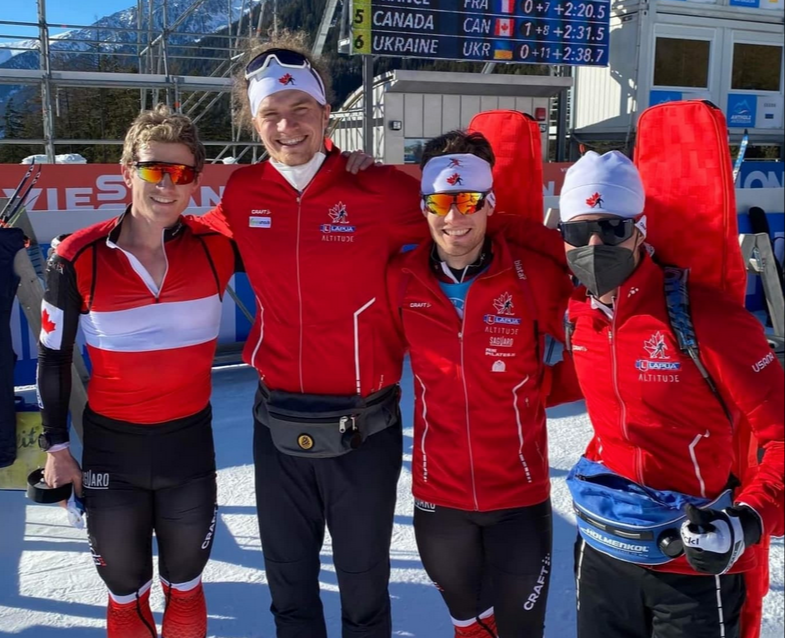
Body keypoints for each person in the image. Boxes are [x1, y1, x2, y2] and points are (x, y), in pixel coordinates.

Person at [199, 33, 428, 638]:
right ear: (254, 121)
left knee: (363, 587)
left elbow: (473, 219)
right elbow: (176, 231)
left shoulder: (381, 190)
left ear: (327, 111)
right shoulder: (244, 192)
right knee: (289, 586)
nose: (287, 124)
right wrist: (83, 245)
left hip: (364, 422)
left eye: (301, 107)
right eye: (271, 113)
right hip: (276, 421)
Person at [559, 151, 784, 638]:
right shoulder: (579, 317)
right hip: (603, 554)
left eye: (613, 228)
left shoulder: (708, 319)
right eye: (577, 232)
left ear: (640, 229)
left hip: (696, 565)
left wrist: (747, 523)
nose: (594, 244)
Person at [38, 105, 237, 638]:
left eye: (183, 173)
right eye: (154, 170)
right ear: (127, 173)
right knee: (125, 595)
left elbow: (296, 213)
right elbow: (54, 356)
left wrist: (340, 159)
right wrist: (57, 448)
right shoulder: (76, 256)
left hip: (188, 448)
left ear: (195, 180)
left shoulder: (219, 246)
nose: (167, 185)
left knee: (187, 588)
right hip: (112, 452)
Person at [386, 131, 580, 638]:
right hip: (439, 499)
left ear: (489, 203)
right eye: (441, 203)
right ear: (424, 206)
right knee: (468, 627)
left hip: (519, 496)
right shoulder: (401, 279)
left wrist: (544, 386)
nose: (455, 217)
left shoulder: (533, 274)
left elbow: (603, 349)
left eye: (469, 200)